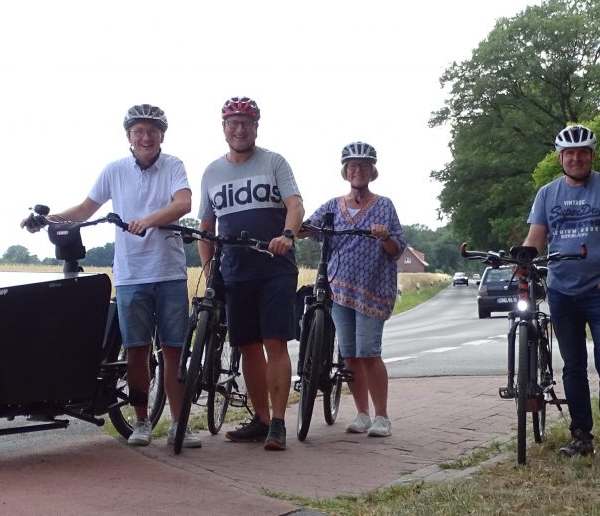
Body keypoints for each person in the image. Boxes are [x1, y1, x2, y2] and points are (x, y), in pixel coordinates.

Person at [21, 104, 201, 448]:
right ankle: (142, 422)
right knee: (136, 350)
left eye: (151, 131)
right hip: (131, 274)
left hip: (168, 272)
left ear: (162, 135)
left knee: (173, 350)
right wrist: (48, 220)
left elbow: (183, 204)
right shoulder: (114, 170)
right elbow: (87, 208)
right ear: (129, 136)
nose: (145, 137)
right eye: (138, 131)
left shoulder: (174, 165)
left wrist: (148, 220)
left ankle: (181, 424)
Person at [522, 124, 600, 461]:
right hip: (562, 292)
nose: (576, 158)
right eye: (570, 153)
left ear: (592, 156)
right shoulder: (547, 193)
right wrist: (524, 256)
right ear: (561, 157)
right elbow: (536, 237)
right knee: (573, 366)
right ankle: (580, 435)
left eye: (582, 153)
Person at [197, 96, 305, 450]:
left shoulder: (274, 162)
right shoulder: (212, 172)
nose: (239, 129)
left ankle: (278, 422)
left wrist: (287, 235)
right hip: (236, 271)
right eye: (233, 123)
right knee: (246, 346)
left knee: (275, 341)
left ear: (256, 127)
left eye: (246, 123)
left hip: (274, 267)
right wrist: (209, 264)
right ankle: (260, 418)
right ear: (224, 128)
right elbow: (206, 223)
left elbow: (295, 204)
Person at [301, 142, 405, 438]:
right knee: (349, 355)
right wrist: (292, 226)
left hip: (372, 289)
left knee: (369, 352)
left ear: (372, 171)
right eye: (352, 166)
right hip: (339, 291)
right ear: (345, 171)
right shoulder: (333, 206)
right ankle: (361, 413)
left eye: (363, 166)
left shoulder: (384, 205)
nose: (357, 171)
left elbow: (397, 247)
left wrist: (384, 237)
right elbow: (308, 227)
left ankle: (382, 416)